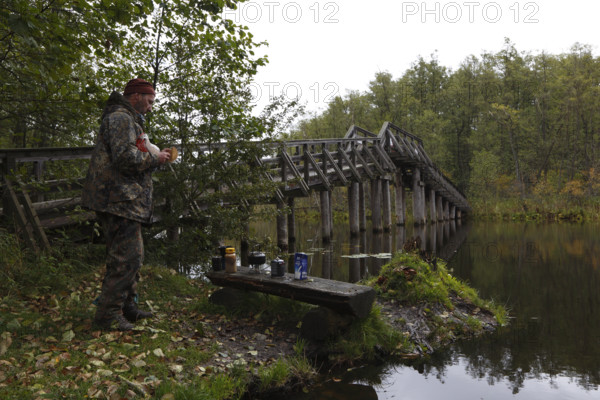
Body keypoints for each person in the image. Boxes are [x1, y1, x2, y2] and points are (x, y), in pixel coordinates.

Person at [82, 78, 171, 331]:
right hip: (117, 198)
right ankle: (107, 316)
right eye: (150, 101)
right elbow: (124, 158)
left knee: (132, 255)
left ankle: (127, 306)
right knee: (127, 258)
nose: (151, 107)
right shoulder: (121, 118)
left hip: (124, 198)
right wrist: (156, 158)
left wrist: (152, 154)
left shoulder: (128, 118)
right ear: (136, 96)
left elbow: (131, 152)